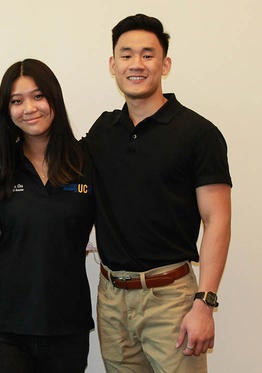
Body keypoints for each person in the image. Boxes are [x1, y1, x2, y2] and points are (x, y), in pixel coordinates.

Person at [86, 14, 232, 372]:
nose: (136, 64)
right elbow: (61, 171)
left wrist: (204, 304)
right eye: (126, 54)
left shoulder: (198, 133)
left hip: (171, 299)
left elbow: (218, 220)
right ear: (112, 64)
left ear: (165, 64)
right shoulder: (103, 130)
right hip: (111, 298)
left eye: (148, 55)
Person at [0, 59, 95, 373]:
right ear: (7, 109)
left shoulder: (87, 160)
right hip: (4, 325)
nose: (29, 108)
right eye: (16, 100)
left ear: (54, 98)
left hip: (67, 323)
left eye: (38, 96)